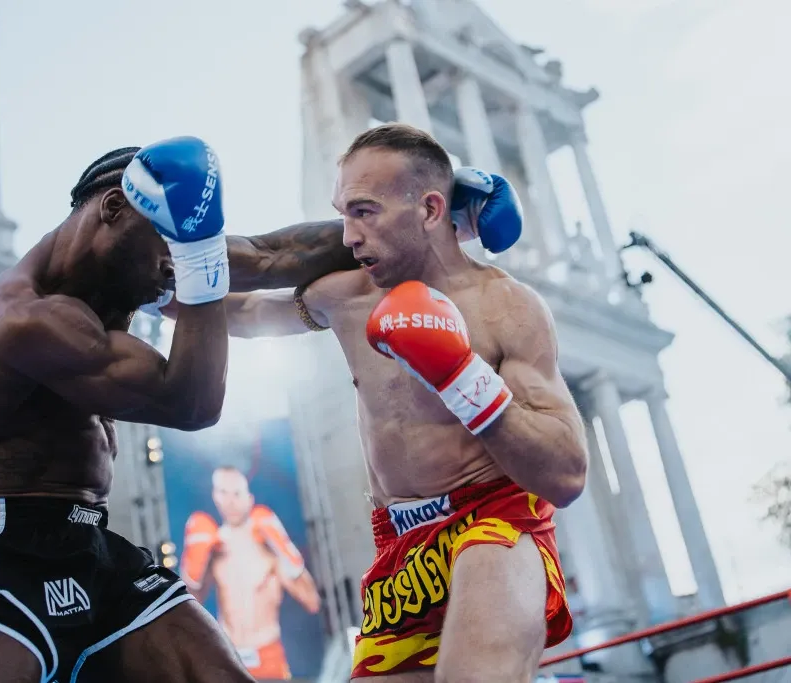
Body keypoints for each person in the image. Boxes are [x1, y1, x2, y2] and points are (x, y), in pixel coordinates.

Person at [156, 123, 589, 682]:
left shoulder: (507, 307)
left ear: (431, 209)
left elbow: (566, 473)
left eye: (364, 212)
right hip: (401, 550)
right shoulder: (347, 296)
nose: (348, 236)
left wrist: (461, 377)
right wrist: (152, 285)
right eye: (344, 213)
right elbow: (246, 312)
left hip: (494, 523)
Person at [0, 136, 353, 683]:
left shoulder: (134, 267)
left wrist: (405, 223)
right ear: (113, 208)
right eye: (168, 249)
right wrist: (197, 260)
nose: (173, 267)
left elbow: (271, 256)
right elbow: (191, 402)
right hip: (6, 547)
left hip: (93, 545)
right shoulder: (20, 318)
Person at [180, 466, 321, 680]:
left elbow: (312, 601)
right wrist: (192, 566)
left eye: (237, 493)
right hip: (228, 654)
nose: (230, 502)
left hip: (268, 654)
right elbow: (190, 606)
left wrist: (285, 550)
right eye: (223, 493)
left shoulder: (268, 547)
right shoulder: (213, 546)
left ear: (249, 499)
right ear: (215, 496)